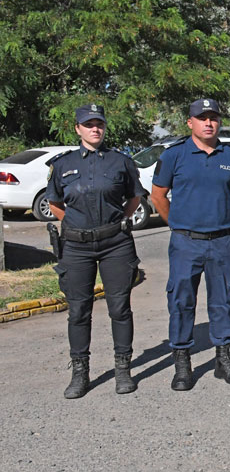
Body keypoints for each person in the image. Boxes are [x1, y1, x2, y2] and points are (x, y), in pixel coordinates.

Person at [150, 98, 230, 390]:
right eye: (202, 118)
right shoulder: (174, 156)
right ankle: (182, 363)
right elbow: (158, 196)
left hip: (221, 241)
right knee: (181, 302)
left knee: (224, 300)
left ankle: (224, 359)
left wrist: (223, 217)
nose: (208, 123)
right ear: (189, 122)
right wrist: (178, 223)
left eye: (213, 118)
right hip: (186, 242)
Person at [45, 104, 145, 398]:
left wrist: (114, 224)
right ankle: (80, 372)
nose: (94, 129)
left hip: (115, 243)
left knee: (120, 308)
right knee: (78, 310)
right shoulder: (63, 164)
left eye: (99, 123)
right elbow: (54, 203)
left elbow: (134, 198)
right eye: (88, 124)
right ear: (77, 129)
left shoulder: (120, 162)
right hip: (76, 246)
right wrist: (78, 226)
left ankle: (123, 369)